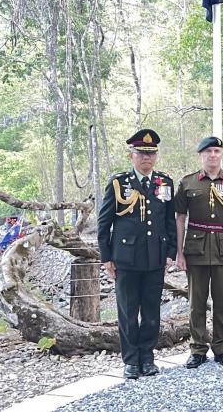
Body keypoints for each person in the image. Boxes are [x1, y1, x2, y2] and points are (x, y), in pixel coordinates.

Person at [97, 129, 176, 379]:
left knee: (152, 312)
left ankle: (148, 357)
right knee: (128, 312)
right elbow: (104, 222)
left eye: (151, 154)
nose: (147, 159)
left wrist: (171, 251)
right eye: (142, 153)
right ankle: (131, 360)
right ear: (131, 155)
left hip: (155, 257)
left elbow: (169, 220)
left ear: (156, 156)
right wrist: (106, 257)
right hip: (126, 258)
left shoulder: (164, 182)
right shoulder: (119, 183)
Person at [175, 136, 223, 369]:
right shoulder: (188, 183)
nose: (213, 155)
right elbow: (180, 218)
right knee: (196, 302)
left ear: (221, 154)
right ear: (201, 156)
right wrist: (179, 251)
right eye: (208, 152)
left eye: (217, 151)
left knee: (222, 301)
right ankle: (197, 348)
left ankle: (222, 347)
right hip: (195, 249)